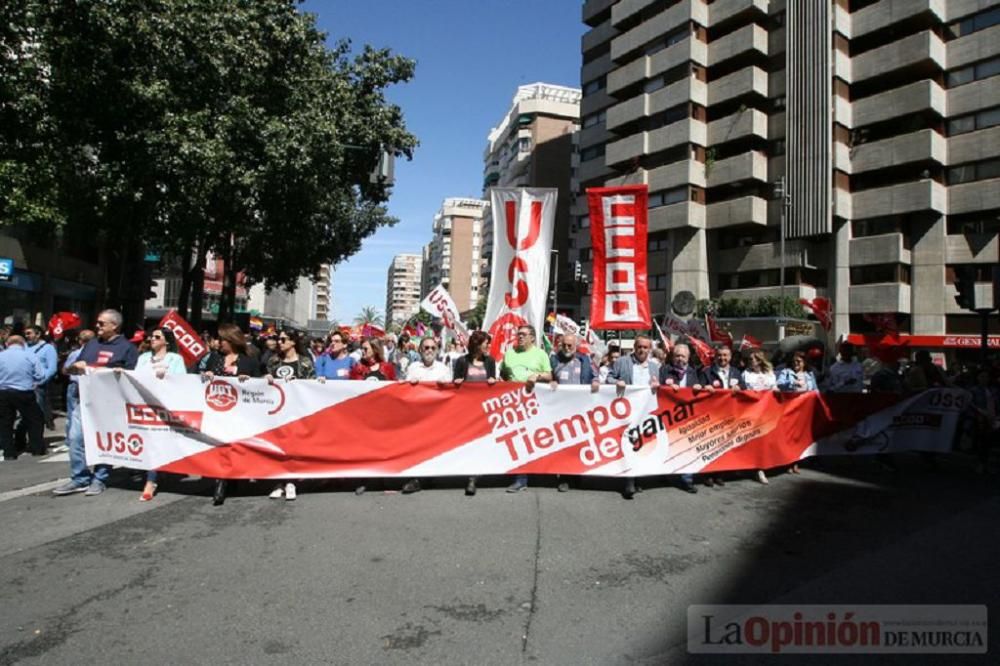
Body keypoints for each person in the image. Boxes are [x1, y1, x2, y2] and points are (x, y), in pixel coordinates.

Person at [53, 309, 139, 496]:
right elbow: (69, 371)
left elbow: (133, 377)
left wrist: (115, 372)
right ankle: (80, 478)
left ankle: (100, 478)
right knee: (75, 439)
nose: (97, 326)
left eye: (102, 323)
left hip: (109, 403)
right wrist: (74, 367)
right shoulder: (91, 344)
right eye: (97, 323)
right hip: (84, 400)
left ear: (114, 326)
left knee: (104, 442)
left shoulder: (127, 348)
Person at [201, 323, 261, 505]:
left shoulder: (248, 360)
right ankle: (221, 481)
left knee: (235, 446)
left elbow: (259, 383)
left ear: (231, 340)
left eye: (222, 339)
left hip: (241, 413)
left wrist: (249, 380)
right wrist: (206, 374)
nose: (218, 343)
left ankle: (230, 477)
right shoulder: (214, 358)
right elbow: (197, 375)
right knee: (220, 446)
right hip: (217, 410)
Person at [603, 335, 661, 499]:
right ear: (634, 348)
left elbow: (659, 388)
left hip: (646, 412)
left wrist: (658, 385)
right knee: (628, 444)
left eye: (645, 347)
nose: (642, 350)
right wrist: (617, 382)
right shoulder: (622, 362)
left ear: (649, 350)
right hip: (626, 410)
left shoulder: (654, 367)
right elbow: (609, 377)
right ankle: (629, 480)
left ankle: (639, 478)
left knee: (642, 445)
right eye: (639, 347)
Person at [134, 328, 187, 500]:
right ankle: (155, 471)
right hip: (144, 404)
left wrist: (167, 375)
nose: (152, 339)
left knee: (157, 440)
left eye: (157, 337)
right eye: (151, 336)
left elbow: (181, 380)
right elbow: (135, 377)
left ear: (167, 341)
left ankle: (151, 480)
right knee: (148, 441)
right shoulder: (143, 358)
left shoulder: (175, 359)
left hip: (164, 406)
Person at [397, 337, 453, 495]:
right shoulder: (413, 367)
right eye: (426, 347)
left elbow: (452, 391)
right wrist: (409, 382)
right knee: (415, 447)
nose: (429, 350)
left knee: (432, 447)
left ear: (437, 350)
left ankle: (428, 475)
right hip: (416, 415)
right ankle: (415, 478)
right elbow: (403, 389)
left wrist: (446, 385)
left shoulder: (443, 369)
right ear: (420, 350)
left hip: (436, 416)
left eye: (432, 348)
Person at [499, 325, 552, 493]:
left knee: (528, 439)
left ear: (533, 338)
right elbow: (503, 375)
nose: (519, 337)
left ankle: (522, 477)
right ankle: (518, 475)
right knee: (514, 439)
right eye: (518, 334)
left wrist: (537, 375)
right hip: (512, 404)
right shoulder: (509, 353)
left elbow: (550, 375)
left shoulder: (541, 354)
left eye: (523, 334)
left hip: (533, 404)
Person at [548, 333, 595, 492]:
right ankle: (564, 477)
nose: (567, 348)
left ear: (576, 346)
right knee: (563, 444)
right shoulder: (554, 359)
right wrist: (550, 381)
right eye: (564, 345)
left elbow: (594, 377)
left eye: (570, 345)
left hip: (580, 409)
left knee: (579, 443)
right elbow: (549, 376)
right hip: (560, 409)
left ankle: (577, 474)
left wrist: (595, 382)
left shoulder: (585, 360)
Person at [452, 330, 497, 496]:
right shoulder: (462, 361)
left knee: (481, 443)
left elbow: (493, 380)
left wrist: (493, 381)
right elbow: (454, 384)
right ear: (477, 344)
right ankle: (469, 472)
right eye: (486, 343)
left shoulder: (490, 361)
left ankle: (473, 477)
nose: (488, 346)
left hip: (484, 410)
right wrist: (457, 382)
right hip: (466, 410)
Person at [698, 344, 743, 487]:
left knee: (724, 444)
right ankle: (708, 474)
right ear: (715, 356)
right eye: (719, 355)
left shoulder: (736, 372)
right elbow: (698, 389)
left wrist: (740, 388)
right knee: (710, 444)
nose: (722, 358)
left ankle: (719, 474)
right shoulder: (706, 372)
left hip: (730, 414)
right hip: (711, 414)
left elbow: (745, 389)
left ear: (730, 357)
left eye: (725, 355)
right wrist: (705, 388)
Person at [0, 335, 46, 461]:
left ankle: (9, 452)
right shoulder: (29, 355)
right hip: (24, 391)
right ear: (23, 344)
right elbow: (40, 374)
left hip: (3, 391)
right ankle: (37, 448)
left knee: (5, 422)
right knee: (35, 419)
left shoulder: (1, 355)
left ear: (7, 344)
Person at [775, 351, 817, 474]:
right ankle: (788, 462)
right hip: (789, 408)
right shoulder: (786, 372)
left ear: (804, 363)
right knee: (789, 436)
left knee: (799, 437)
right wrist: (793, 382)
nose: (796, 363)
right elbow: (780, 384)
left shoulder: (809, 375)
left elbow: (815, 390)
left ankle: (796, 462)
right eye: (794, 361)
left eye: (799, 361)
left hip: (804, 410)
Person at [741, 349, 777, 485]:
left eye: (752, 359)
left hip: (768, 412)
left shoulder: (769, 374)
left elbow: (774, 388)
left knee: (765, 441)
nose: (750, 362)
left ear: (759, 360)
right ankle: (756, 468)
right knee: (754, 441)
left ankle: (762, 466)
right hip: (752, 412)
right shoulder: (746, 374)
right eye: (749, 359)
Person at [23, 325, 58, 430]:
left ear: (38, 334)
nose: (27, 336)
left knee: (36, 413)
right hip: (22, 385)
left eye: (29, 333)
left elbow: (52, 368)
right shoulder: (24, 347)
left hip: (37, 386)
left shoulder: (48, 348)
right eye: (25, 334)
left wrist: (40, 381)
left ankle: (37, 439)